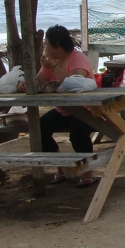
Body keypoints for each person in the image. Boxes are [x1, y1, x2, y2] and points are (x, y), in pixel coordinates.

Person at [22, 24, 98, 188]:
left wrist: (54, 68)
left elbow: (75, 82)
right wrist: (25, 85)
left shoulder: (77, 58)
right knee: (38, 128)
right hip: (63, 110)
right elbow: (39, 80)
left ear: (57, 45)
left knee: (77, 135)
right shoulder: (51, 62)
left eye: (47, 43)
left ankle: (88, 173)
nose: (45, 47)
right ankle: (61, 167)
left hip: (85, 110)